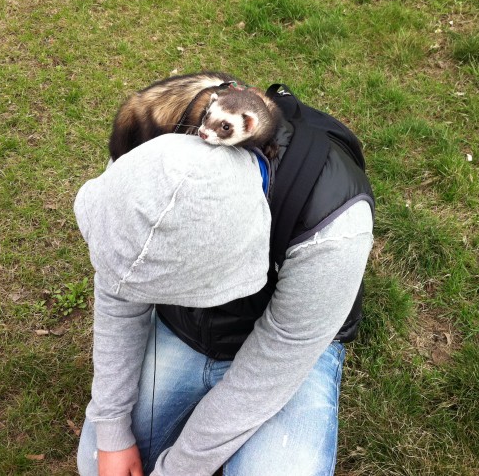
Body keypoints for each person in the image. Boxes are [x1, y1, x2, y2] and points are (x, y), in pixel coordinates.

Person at [76, 121, 374, 475]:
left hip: (287, 348)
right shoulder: (144, 150)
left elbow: (270, 368)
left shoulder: (334, 231)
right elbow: (119, 286)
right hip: (185, 326)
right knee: (95, 464)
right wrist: (112, 426)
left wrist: (178, 469)